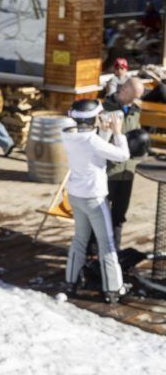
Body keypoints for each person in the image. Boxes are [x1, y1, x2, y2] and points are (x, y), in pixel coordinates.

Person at [61, 99, 130, 303]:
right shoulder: (92, 141)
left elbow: (94, 149)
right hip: (94, 198)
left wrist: (105, 131)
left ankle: (70, 282)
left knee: (80, 239)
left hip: (76, 195)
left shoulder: (68, 136)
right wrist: (117, 132)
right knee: (106, 243)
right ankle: (113, 289)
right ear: (92, 119)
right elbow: (122, 155)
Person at [103, 77, 145, 249]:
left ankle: (114, 252)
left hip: (128, 172)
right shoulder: (106, 108)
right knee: (100, 216)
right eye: (125, 85)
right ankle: (92, 253)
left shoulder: (135, 111)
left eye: (129, 89)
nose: (123, 88)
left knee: (119, 216)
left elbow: (137, 136)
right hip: (108, 172)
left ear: (135, 97)